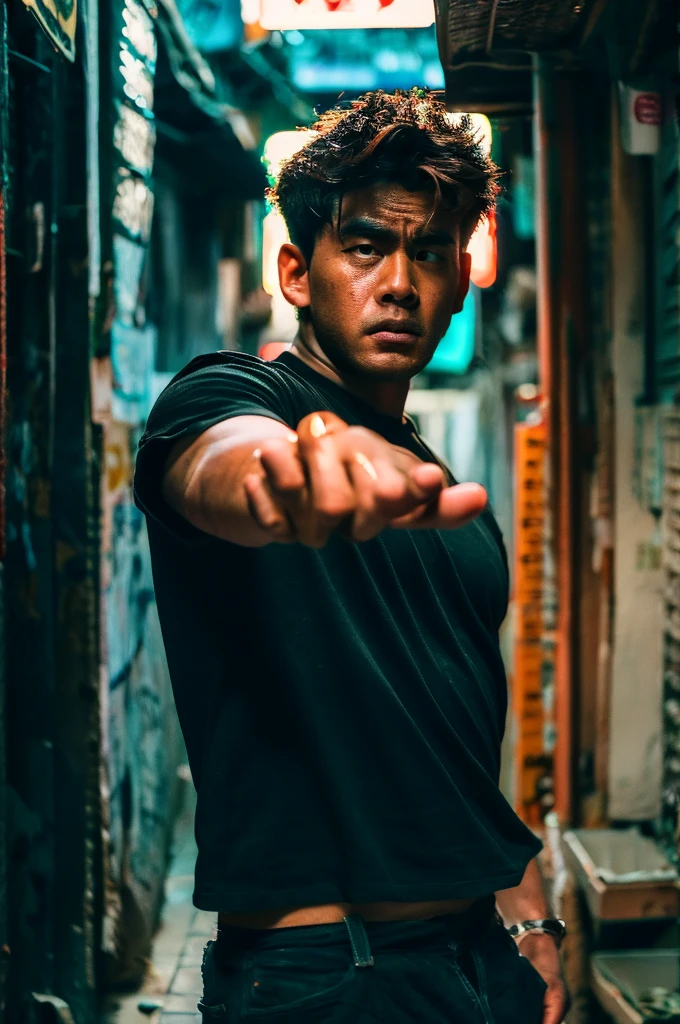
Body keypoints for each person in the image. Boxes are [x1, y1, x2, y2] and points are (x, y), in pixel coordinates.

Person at [134, 89, 569, 1024]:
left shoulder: (440, 488)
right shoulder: (230, 399)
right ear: (297, 271)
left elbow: (448, 728)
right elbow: (225, 460)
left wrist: (530, 921)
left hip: (475, 965)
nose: (400, 282)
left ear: (462, 275)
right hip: (324, 976)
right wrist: (284, 478)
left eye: (431, 251)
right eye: (366, 246)